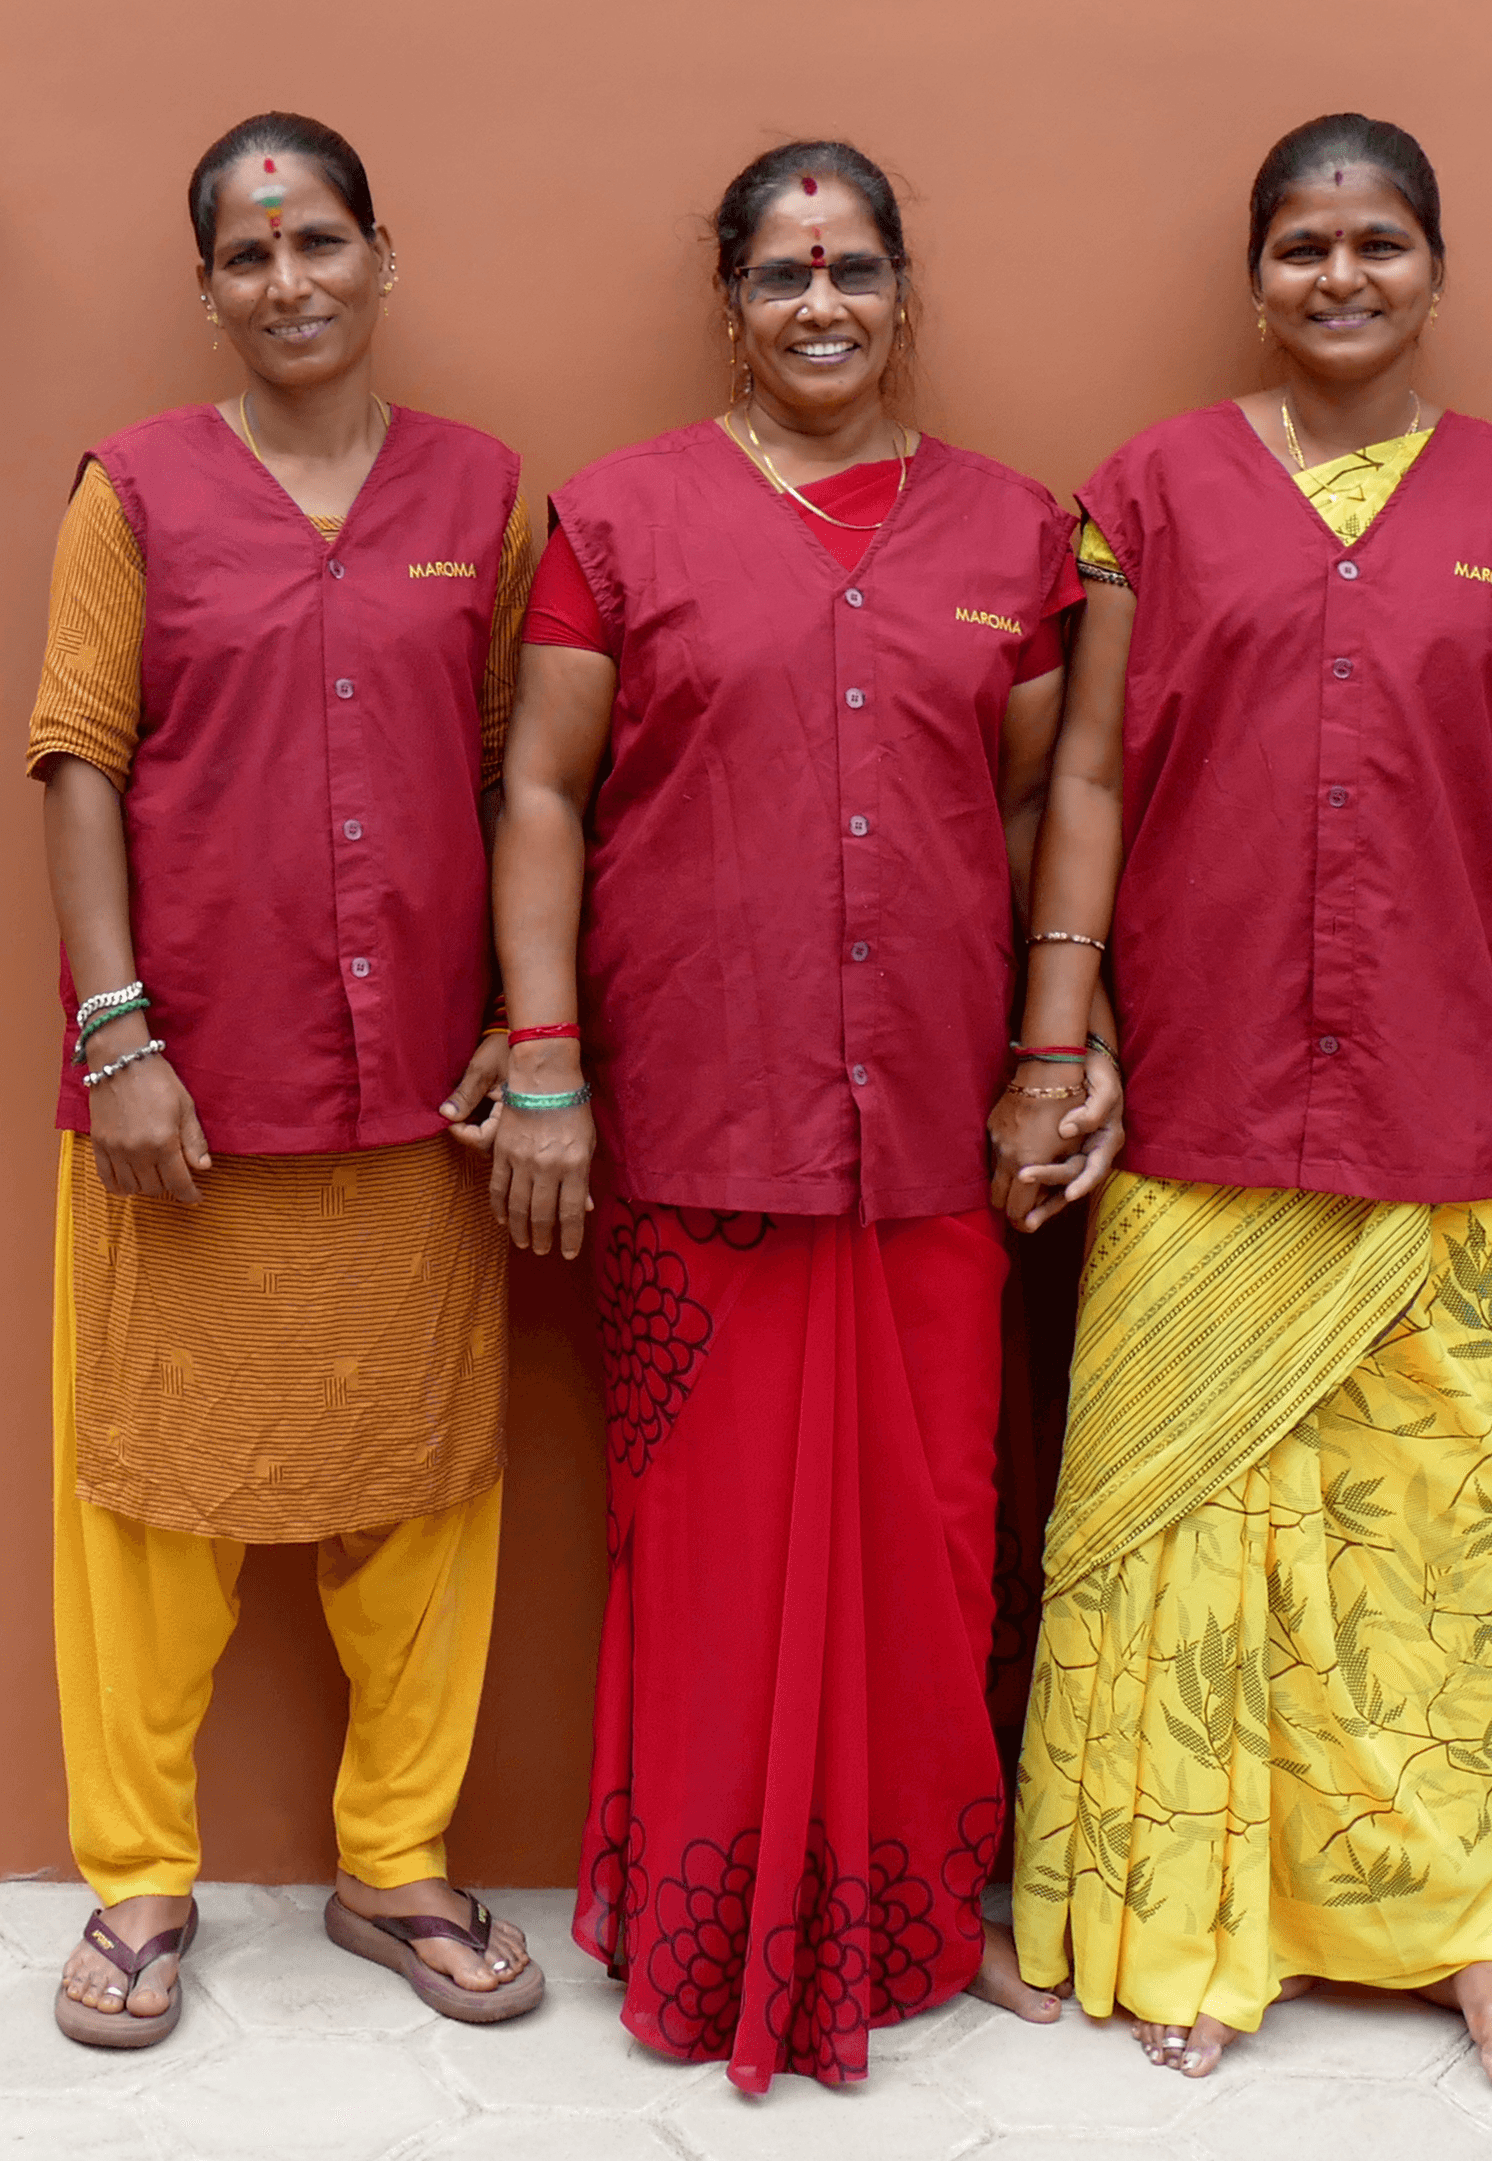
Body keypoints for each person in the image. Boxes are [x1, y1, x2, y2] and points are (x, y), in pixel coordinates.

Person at [998, 114, 1492, 2091]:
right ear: (1258, 274)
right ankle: (1180, 1910)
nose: (1341, 276)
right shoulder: (1151, 497)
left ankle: (1448, 1923)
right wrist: (1052, 1036)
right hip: (1194, 1096)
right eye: (1302, 245)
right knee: (1167, 1529)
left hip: (1443, 1104)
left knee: (1430, 1554)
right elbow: (1090, 778)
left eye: (1377, 241)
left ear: (1435, 267)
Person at [490, 140, 1091, 2095]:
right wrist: (549, 1058)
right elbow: (545, 795)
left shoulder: (1012, 536)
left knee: (929, 1528)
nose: (815, 305)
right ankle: (706, 1914)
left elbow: (1022, 810)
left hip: (923, 1120)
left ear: (904, 291)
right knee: (716, 1541)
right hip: (698, 1118)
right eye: (776, 274)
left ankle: (916, 1910)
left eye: (848, 270)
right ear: (729, 304)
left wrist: (1047, 1049)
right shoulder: (618, 522)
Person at [37, 116, 539, 2049]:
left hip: (416, 1091)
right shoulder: (139, 491)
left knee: (422, 1492)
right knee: (153, 1502)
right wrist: (120, 1033)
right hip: (188, 1099)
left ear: (380, 256)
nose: (290, 283)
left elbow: (520, 779)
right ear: (208, 291)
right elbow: (79, 755)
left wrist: (525, 1016)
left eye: (320, 242)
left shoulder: (481, 493)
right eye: (249, 259)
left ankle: (393, 1862)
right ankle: (139, 1887)